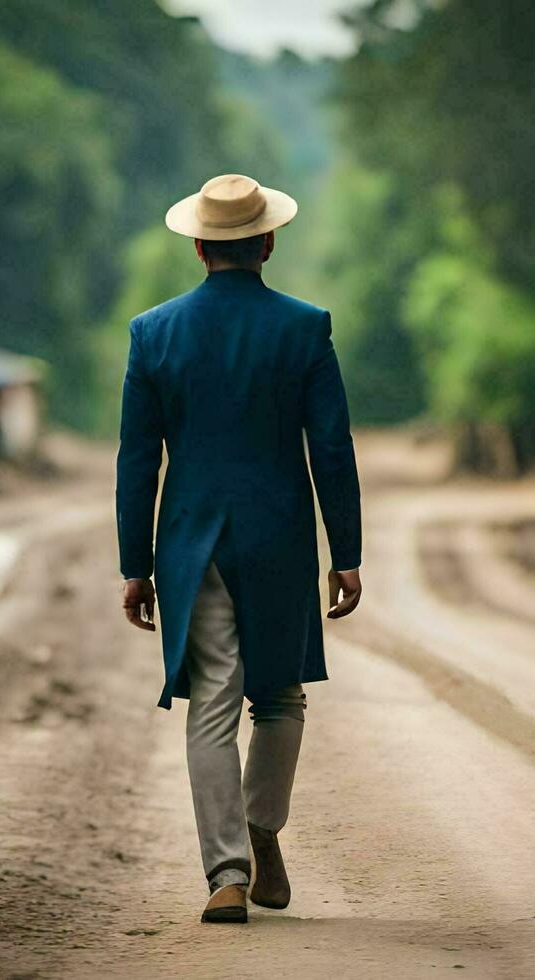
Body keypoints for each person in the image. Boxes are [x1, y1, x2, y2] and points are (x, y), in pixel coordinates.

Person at [115, 173, 363, 924]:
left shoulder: (152, 333)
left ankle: (226, 873)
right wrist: (345, 550)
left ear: (198, 246)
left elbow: (137, 458)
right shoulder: (305, 326)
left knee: (213, 706)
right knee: (280, 696)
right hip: (279, 538)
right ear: (269, 242)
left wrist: (136, 565)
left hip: (193, 543)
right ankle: (260, 830)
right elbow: (331, 444)